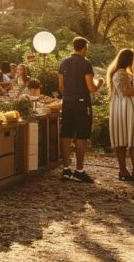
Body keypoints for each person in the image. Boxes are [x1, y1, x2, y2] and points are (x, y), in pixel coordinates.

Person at [58, 37, 102, 183]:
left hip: (67, 101)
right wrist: (100, 83)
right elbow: (91, 88)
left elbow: (61, 87)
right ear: (84, 48)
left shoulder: (63, 62)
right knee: (82, 134)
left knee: (66, 133)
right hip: (82, 103)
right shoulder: (85, 63)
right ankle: (79, 171)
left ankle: (65, 169)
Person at [107, 49, 134, 182]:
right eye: (133, 59)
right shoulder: (121, 73)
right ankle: (132, 170)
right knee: (132, 140)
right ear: (127, 59)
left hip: (120, 108)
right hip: (127, 108)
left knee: (123, 140)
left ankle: (125, 170)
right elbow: (126, 91)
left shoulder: (119, 72)